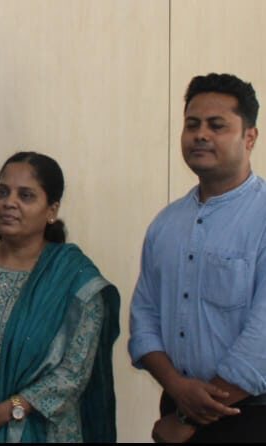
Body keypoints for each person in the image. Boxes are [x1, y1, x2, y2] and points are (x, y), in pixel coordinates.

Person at [0, 152, 119, 443]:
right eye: (3, 192)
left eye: (26, 195)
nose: (9, 203)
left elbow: (72, 374)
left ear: (51, 210)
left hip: (42, 433)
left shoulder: (74, 279)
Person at [129, 73, 266, 443]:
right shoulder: (166, 223)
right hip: (175, 408)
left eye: (216, 125)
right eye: (192, 124)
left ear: (249, 137)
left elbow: (262, 340)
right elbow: (144, 318)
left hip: (250, 418)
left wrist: (187, 419)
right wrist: (176, 389)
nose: (201, 135)